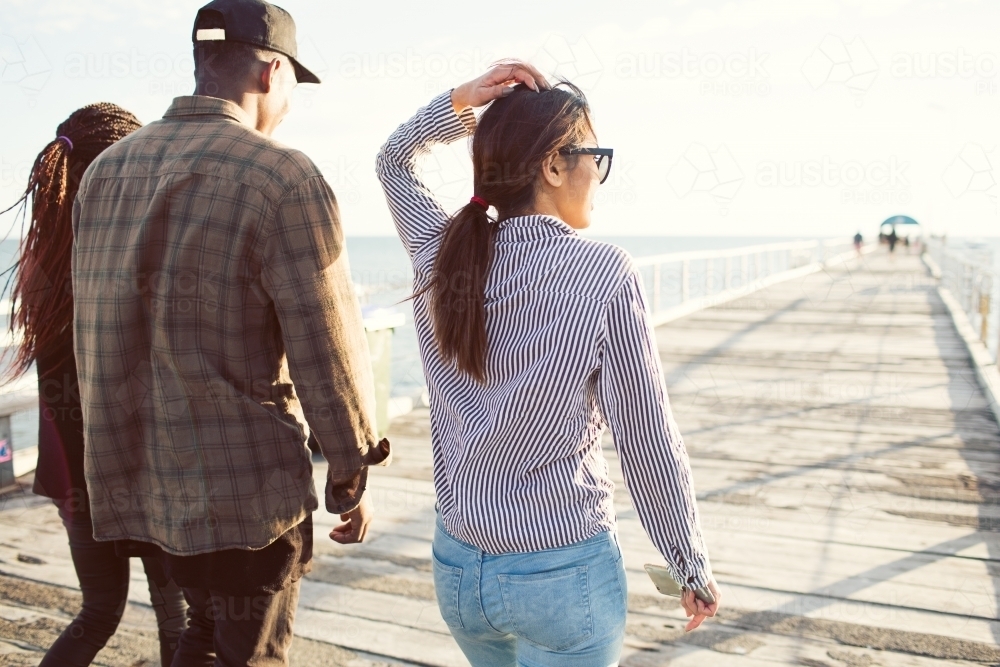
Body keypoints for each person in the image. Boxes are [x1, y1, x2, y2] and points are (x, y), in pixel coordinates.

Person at [70, 1, 389, 664]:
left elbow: (95, 331)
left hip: (150, 488)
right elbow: (326, 349)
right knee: (248, 651)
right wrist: (351, 473)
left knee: (203, 632)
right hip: (248, 498)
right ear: (271, 72)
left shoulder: (106, 174)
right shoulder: (281, 176)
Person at [376, 62, 720, 666]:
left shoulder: (441, 251)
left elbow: (393, 161)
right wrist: (686, 561)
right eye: (596, 155)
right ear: (554, 164)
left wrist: (460, 100)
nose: (600, 173)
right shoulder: (604, 272)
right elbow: (646, 441)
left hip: (458, 568)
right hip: (561, 573)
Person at [2, 104, 188, 667]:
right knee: (174, 613)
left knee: (99, 611)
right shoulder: (131, 255)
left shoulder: (44, 262)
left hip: (76, 483)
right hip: (146, 471)